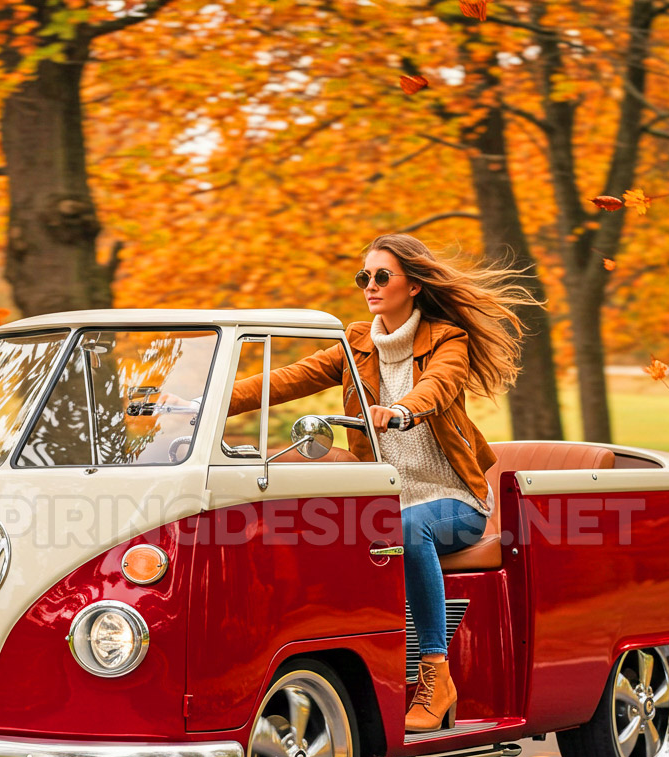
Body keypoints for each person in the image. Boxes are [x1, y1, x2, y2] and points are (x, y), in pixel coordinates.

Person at [226, 233, 529, 731]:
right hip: (385, 505)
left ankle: (435, 672)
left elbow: (440, 385)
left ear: (413, 284)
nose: (370, 285)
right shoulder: (356, 344)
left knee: (409, 529)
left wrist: (404, 409)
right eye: (363, 276)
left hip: (454, 499)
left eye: (381, 276)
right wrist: (204, 404)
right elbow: (285, 380)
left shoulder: (447, 339)